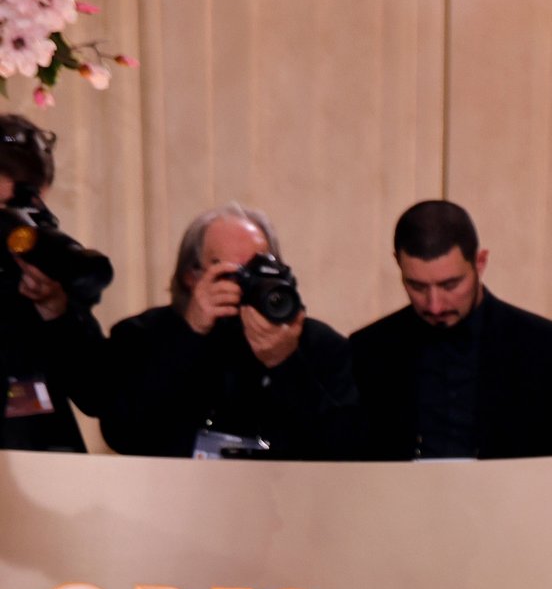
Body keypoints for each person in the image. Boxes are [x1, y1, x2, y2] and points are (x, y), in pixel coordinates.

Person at [103, 204, 358, 460]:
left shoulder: (317, 343)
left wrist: (286, 364)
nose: (247, 283)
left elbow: (348, 449)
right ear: (191, 275)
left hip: (288, 495)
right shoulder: (141, 335)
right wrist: (189, 334)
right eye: (232, 271)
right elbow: (123, 434)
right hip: (174, 494)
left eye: (257, 269)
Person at [350, 200, 552, 460]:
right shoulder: (366, 351)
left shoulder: (551, 351)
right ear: (398, 264)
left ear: (480, 262)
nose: (434, 306)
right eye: (417, 286)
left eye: (450, 284)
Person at [0, 114, 113, 453]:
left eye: (18, 214)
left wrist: (59, 313)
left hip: (41, 466)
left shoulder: (44, 264)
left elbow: (96, 394)